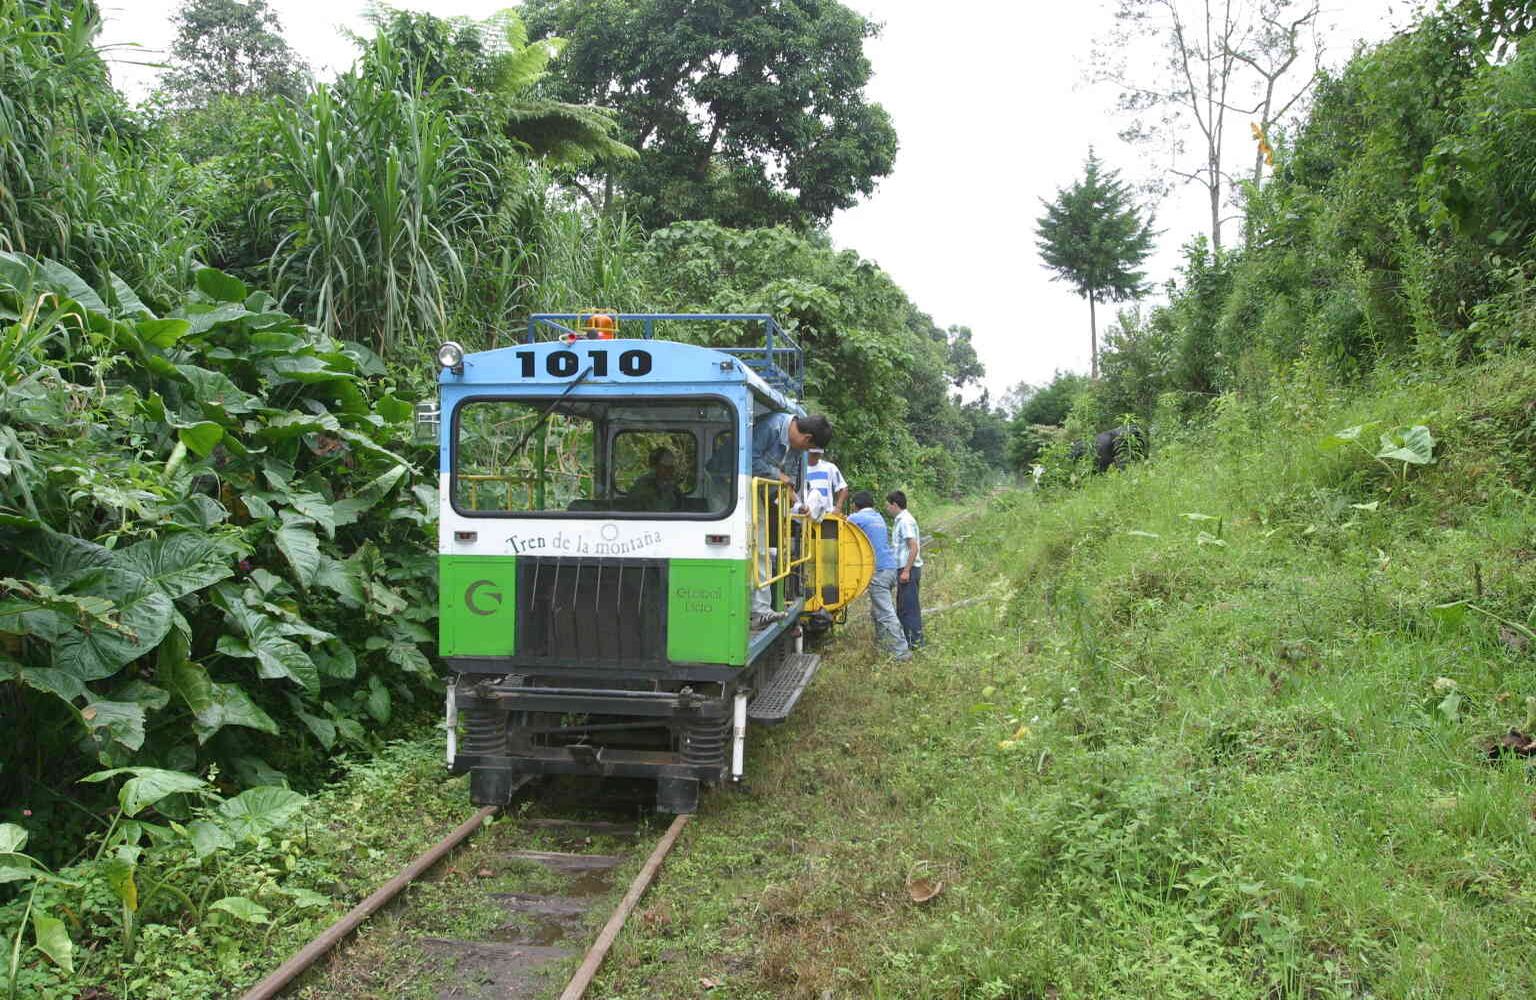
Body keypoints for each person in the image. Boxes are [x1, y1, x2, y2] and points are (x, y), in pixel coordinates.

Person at [749, 411, 833, 628]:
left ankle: (759, 609)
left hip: (755, 490)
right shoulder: (772, 427)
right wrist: (778, 477)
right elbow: (747, 459)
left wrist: (798, 504)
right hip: (727, 482)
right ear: (807, 439)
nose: (804, 452)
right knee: (753, 545)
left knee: (760, 546)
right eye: (808, 448)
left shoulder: (795, 448)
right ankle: (757, 609)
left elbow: (789, 484)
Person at [847, 491, 911, 661]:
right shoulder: (879, 517)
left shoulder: (856, 518)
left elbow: (840, 526)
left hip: (879, 571)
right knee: (878, 611)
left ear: (855, 505)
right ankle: (883, 645)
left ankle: (901, 652)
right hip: (890, 568)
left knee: (885, 612)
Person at [886, 490, 923, 649]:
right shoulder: (900, 520)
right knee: (903, 608)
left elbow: (913, 547)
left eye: (888, 505)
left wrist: (906, 570)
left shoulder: (905, 521)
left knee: (909, 609)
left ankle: (915, 644)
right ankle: (908, 641)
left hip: (909, 569)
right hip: (904, 569)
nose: (887, 509)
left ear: (895, 505)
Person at [627, 446, 684, 511]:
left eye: (671, 466)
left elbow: (680, 509)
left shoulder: (674, 487)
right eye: (665, 466)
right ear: (655, 466)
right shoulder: (641, 486)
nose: (670, 470)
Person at [803, 448, 848, 517]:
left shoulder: (829, 467)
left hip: (826, 515)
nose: (816, 456)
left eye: (818, 453)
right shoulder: (801, 469)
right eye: (814, 454)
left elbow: (843, 488)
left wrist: (838, 508)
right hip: (806, 513)